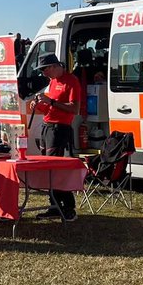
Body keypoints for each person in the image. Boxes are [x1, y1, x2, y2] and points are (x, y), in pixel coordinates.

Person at [32, 53, 81, 222]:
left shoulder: (71, 81)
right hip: (47, 126)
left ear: (53, 66)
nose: (44, 74)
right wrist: (40, 105)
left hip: (59, 129)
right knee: (48, 169)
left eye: (45, 70)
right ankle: (54, 206)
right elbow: (48, 110)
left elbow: (74, 109)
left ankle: (68, 207)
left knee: (55, 168)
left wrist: (51, 102)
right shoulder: (52, 82)